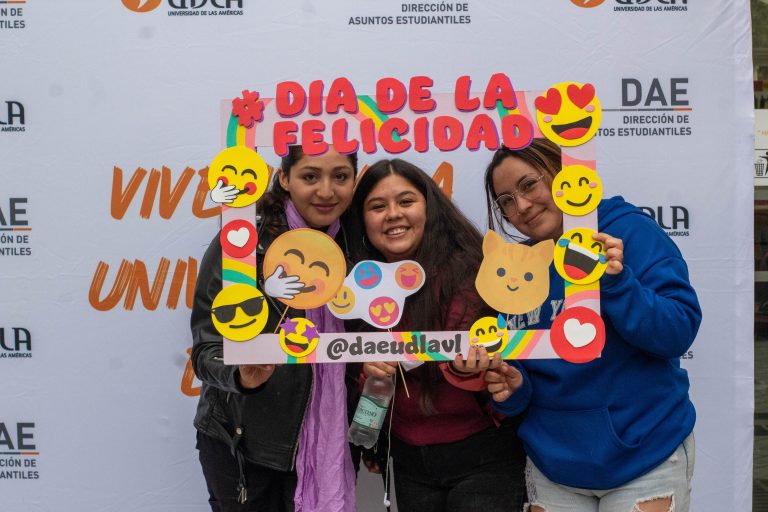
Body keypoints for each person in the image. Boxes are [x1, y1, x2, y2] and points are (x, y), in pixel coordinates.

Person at [482, 138, 701, 512]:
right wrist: (513, 387)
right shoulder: (515, 268)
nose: (520, 206)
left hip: (644, 455)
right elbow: (518, 370)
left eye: (528, 184)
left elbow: (677, 330)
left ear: (564, 172)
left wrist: (616, 283)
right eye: (505, 201)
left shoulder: (627, 232)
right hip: (553, 465)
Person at [346, 158, 528, 512]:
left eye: (406, 201)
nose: (393, 214)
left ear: (429, 207)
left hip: (484, 455)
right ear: (362, 220)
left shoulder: (469, 270)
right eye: (377, 206)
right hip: (409, 459)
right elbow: (349, 373)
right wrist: (368, 375)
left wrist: (466, 368)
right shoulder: (354, 286)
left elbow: (485, 362)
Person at [191, 146, 360, 512]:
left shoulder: (360, 250)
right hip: (245, 447)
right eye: (310, 176)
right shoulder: (242, 247)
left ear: (355, 181)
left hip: (330, 444)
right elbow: (206, 352)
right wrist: (242, 376)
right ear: (284, 178)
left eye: (341, 176)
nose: (327, 191)